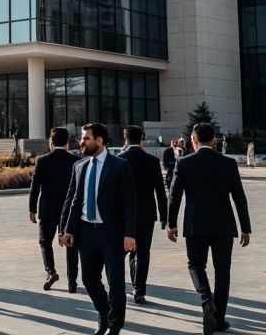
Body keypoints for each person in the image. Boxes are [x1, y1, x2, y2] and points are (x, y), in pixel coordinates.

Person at [166, 122, 252, 335]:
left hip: (196, 225)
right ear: (214, 140)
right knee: (222, 271)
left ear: (193, 141)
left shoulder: (184, 163)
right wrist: (245, 228)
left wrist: (171, 223)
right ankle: (219, 319)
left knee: (196, 265)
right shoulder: (229, 163)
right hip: (224, 225)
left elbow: (174, 196)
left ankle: (207, 301)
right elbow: (239, 198)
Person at [59, 123, 137, 335]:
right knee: (89, 279)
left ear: (100, 141)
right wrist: (68, 229)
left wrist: (130, 233)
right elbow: (75, 200)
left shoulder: (119, 166)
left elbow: (129, 202)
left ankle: (114, 326)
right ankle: (105, 314)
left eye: (86, 138)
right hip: (86, 233)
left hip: (112, 234)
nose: (81, 142)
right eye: (82, 138)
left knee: (116, 283)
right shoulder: (80, 166)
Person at [119, 125, 167, 305]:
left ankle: (116, 283)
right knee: (143, 252)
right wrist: (164, 216)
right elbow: (160, 192)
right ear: (142, 139)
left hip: (124, 216)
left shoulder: (120, 159)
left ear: (126, 139)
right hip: (147, 213)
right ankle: (139, 289)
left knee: (122, 250)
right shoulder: (152, 161)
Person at [28, 126, 80, 293]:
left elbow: (35, 186)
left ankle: (51, 272)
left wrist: (32, 209)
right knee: (71, 244)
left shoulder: (42, 160)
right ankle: (72, 281)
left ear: (51, 142)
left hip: (48, 208)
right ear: (67, 143)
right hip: (70, 209)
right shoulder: (76, 161)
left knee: (45, 242)